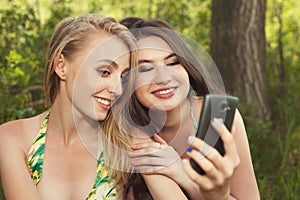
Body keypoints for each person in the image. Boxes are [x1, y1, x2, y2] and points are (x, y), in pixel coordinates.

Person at [120, 17, 260, 199]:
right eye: (145, 69)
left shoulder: (220, 114)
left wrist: (183, 175)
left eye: (172, 63)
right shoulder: (127, 127)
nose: (163, 77)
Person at [0, 14, 137, 199]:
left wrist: (181, 176)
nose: (118, 89)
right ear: (61, 66)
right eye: (104, 72)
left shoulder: (122, 145)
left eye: (123, 76)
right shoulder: (13, 138)